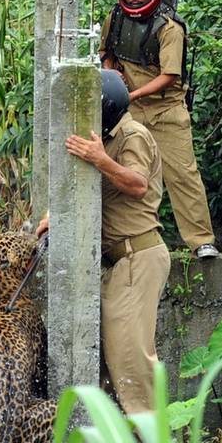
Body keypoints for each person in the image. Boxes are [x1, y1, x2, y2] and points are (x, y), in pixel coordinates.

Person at [37, 70, 169, 414]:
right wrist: (57, 217)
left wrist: (100, 159)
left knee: (131, 357)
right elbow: (93, 193)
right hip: (117, 262)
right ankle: (120, 440)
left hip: (136, 256)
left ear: (106, 107)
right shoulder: (107, 139)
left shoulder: (132, 135)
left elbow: (138, 184)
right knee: (111, 358)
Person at [99, 0, 219, 259]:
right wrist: (113, 75)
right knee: (127, 174)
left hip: (166, 110)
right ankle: (131, 241)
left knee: (182, 174)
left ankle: (201, 240)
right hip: (128, 107)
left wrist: (132, 94)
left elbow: (169, 77)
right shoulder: (115, 17)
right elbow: (106, 54)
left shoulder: (169, 27)